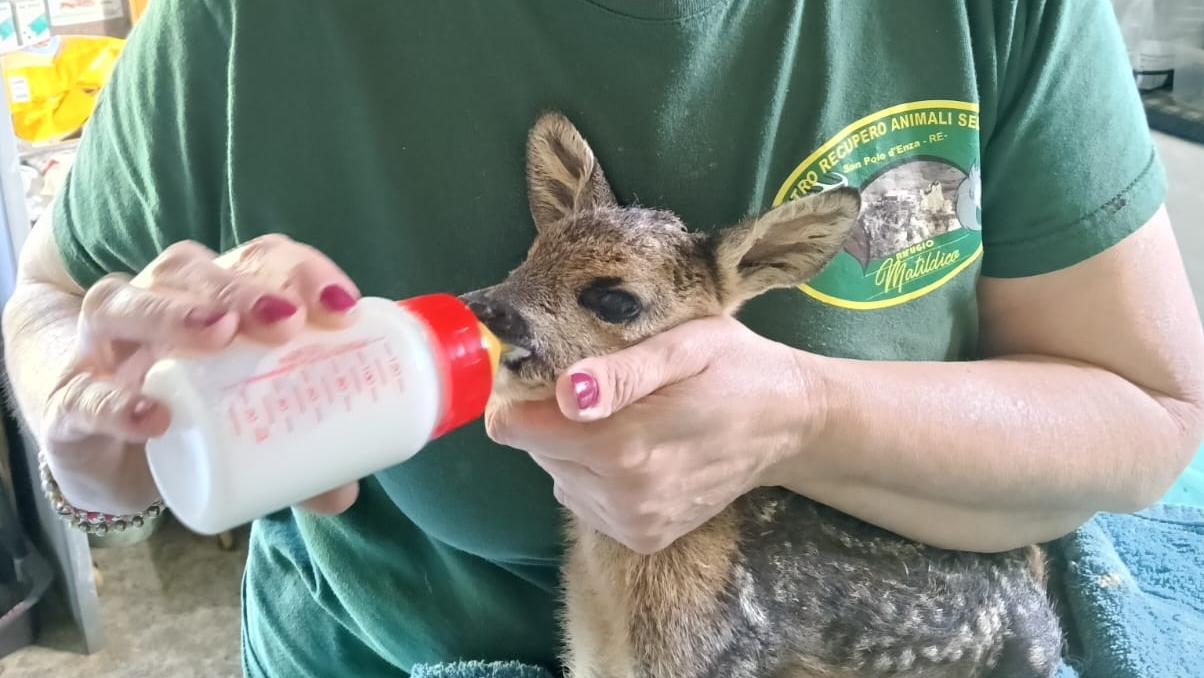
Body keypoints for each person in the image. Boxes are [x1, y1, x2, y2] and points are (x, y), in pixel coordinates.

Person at [4, 1, 1203, 675]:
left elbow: (1147, 416)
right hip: (389, 645)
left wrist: (803, 418)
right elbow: (54, 298)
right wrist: (99, 432)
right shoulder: (248, 29)